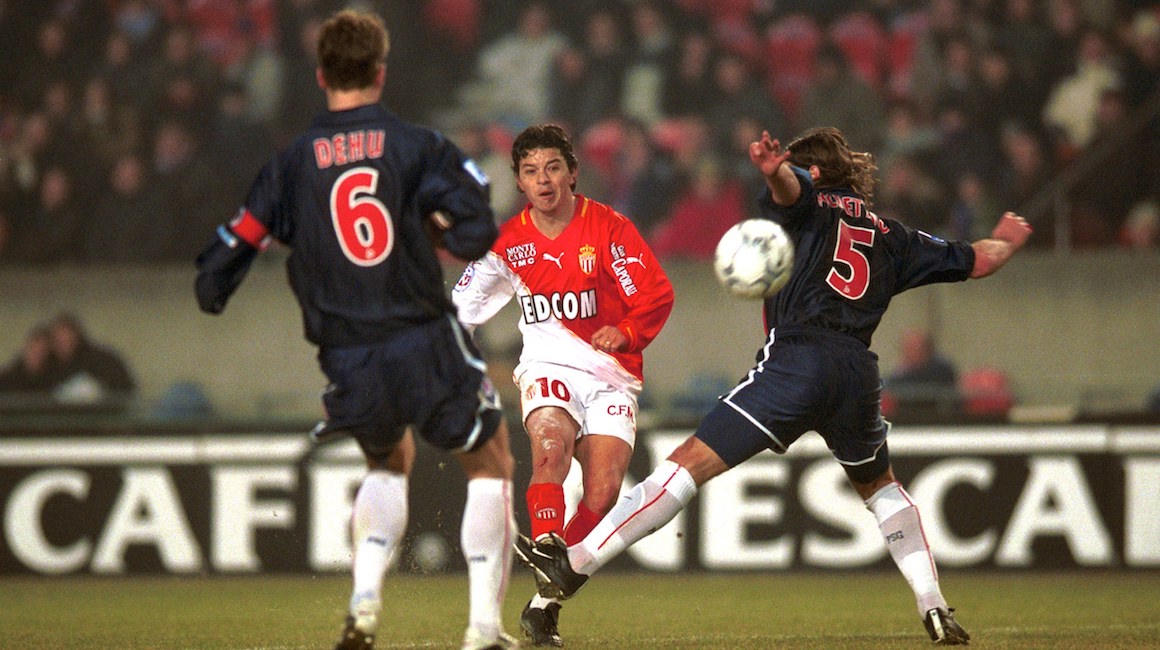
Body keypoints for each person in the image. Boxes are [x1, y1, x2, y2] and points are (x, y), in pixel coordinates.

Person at [515, 127, 1033, 646]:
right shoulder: (894, 235)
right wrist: (1009, 237)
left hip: (797, 362)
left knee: (685, 468)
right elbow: (979, 259)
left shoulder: (807, 203)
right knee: (882, 488)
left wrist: (776, 171)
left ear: (813, 171)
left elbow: (794, 192)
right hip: (857, 374)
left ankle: (573, 565)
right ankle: (933, 605)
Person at [194, 10, 517, 650]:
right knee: (490, 460)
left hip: (348, 352)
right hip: (421, 333)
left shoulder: (288, 165)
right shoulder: (417, 146)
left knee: (386, 462)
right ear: (380, 72)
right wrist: (434, 231)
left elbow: (219, 273)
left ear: (320, 76)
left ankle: (365, 599)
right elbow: (479, 230)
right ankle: (483, 626)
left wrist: (232, 273)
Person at [452, 123, 674, 647]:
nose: (543, 179)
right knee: (549, 447)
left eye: (553, 167)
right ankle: (548, 539)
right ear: (519, 182)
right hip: (547, 364)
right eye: (531, 171)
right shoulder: (507, 243)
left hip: (612, 374)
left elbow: (655, 294)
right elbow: (461, 308)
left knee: (603, 492)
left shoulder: (609, 228)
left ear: (573, 173)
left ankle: (543, 605)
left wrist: (626, 331)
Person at [47, 312, 136, 410]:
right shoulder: (50, 366)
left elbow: (125, 392)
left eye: (66, 339)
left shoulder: (102, 361)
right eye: (57, 340)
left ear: (77, 337)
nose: (62, 344)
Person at [882, 327, 961, 419]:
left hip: (938, 419)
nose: (910, 354)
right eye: (908, 349)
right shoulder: (901, 373)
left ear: (927, 350)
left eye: (914, 348)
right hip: (907, 419)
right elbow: (890, 387)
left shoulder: (941, 369)